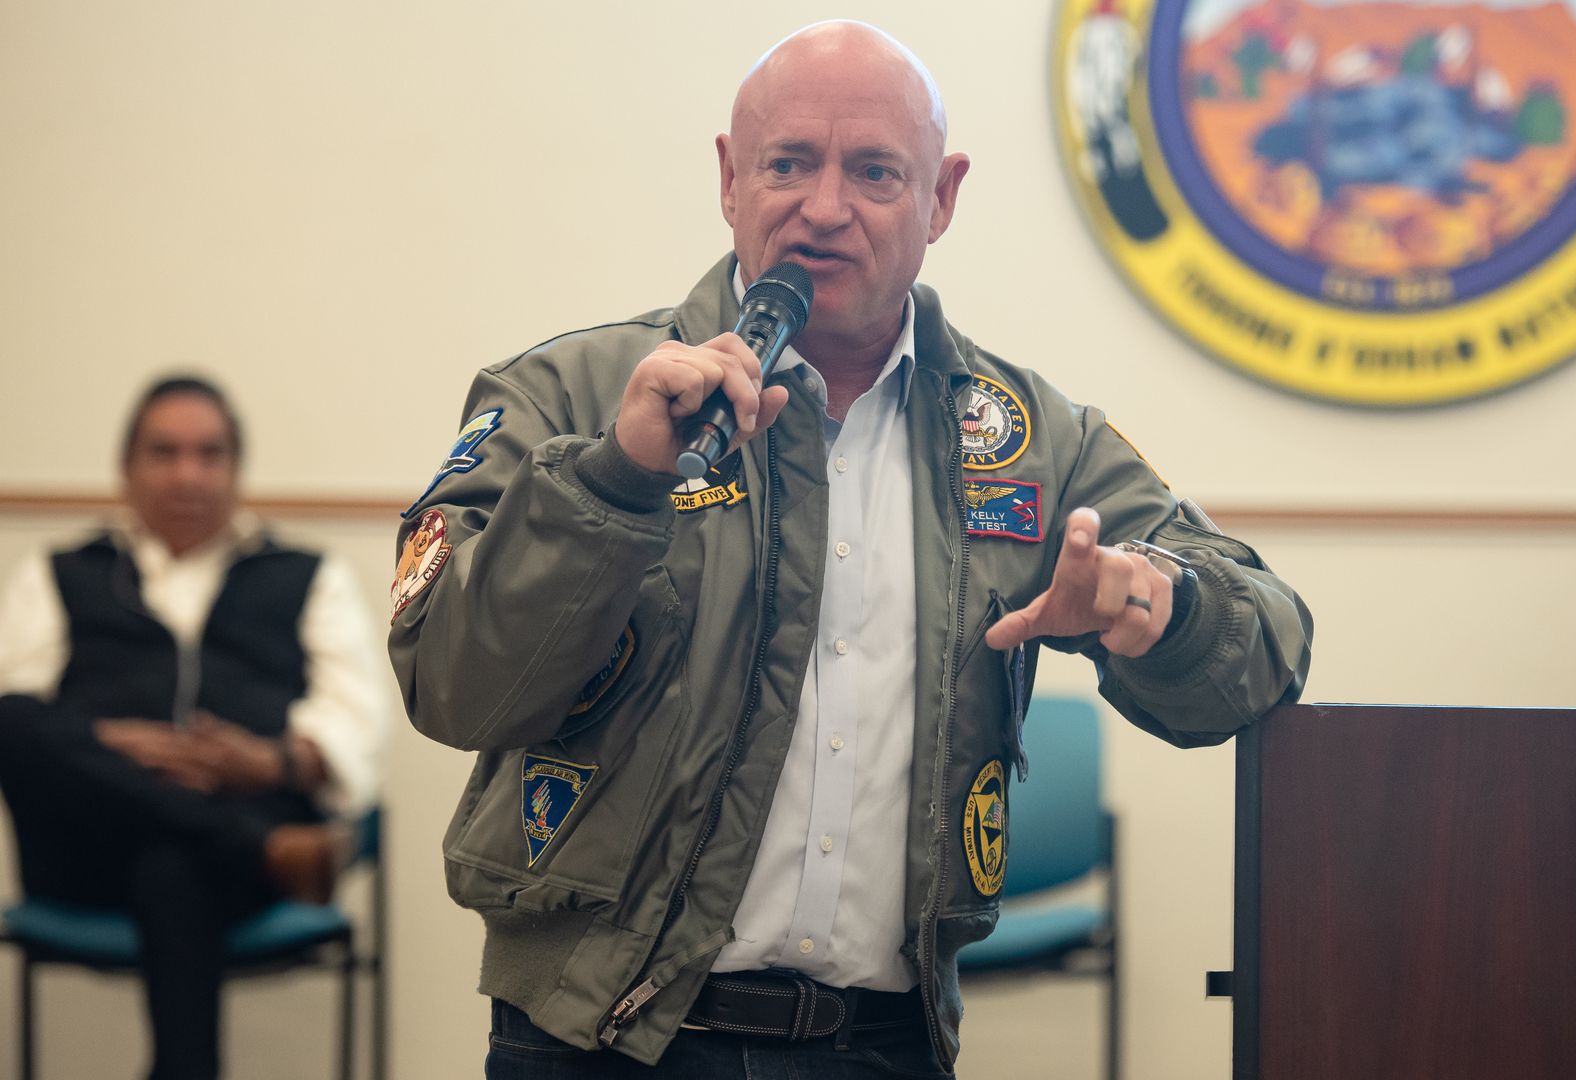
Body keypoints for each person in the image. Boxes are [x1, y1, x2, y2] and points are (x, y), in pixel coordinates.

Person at [389, 21, 1312, 1078]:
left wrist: (1164, 609)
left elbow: (1268, 648)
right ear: (732, 179)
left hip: (880, 1050)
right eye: (789, 164)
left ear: (942, 198)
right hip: (597, 1042)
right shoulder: (573, 397)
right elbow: (452, 685)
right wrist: (615, 479)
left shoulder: (1029, 444)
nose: (823, 209)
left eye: (875, 171)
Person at [0, 375, 388, 1080]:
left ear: (236, 468)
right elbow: (23, 718)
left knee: (172, 867)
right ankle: (265, 846)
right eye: (165, 452)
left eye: (209, 453)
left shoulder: (307, 574)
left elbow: (355, 724)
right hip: (89, 850)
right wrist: (109, 746)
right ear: (127, 467)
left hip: (222, 858)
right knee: (10, 719)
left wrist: (265, 764)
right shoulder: (60, 573)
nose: (189, 472)